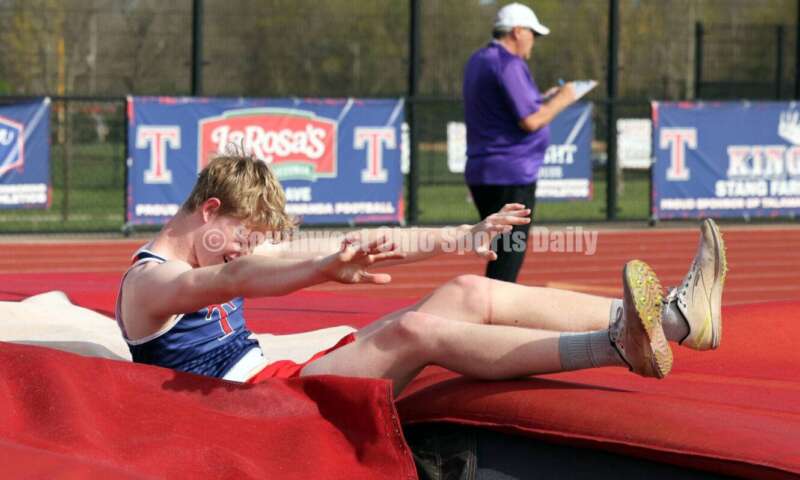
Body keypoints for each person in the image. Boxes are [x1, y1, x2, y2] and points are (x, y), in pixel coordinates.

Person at [115, 153, 727, 396]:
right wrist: (323, 269)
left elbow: (358, 243)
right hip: (247, 404)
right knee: (414, 330)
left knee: (466, 289)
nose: (245, 251)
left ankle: (674, 318)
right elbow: (228, 281)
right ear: (211, 212)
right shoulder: (150, 284)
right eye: (248, 235)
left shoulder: (219, 249)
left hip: (274, 376)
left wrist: (463, 237)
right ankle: (619, 345)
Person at [463, 2, 579, 282]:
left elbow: (508, 106)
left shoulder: (479, 60)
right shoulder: (508, 63)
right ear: (517, 32)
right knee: (507, 257)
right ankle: (491, 315)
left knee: (501, 249)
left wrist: (541, 99)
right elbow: (531, 120)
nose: (534, 42)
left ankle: (491, 309)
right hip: (511, 172)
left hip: (484, 169)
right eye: (533, 34)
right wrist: (565, 98)